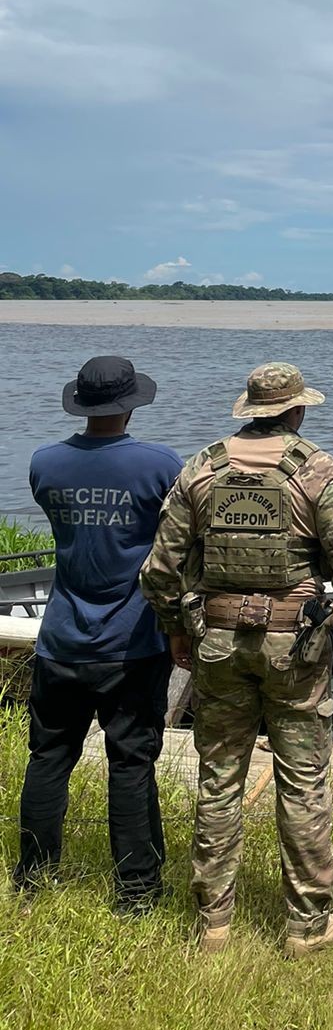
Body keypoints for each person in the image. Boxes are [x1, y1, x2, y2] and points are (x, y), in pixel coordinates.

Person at [139, 363, 333, 956]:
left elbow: (159, 572)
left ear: (250, 410)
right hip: (294, 651)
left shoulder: (201, 467)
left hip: (216, 646)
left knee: (219, 780)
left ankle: (214, 922)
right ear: (296, 412)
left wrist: (176, 630)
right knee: (303, 783)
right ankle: (306, 926)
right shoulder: (317, 470)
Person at [17, 355, 182, 911]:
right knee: (131, 763)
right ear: (132, 402)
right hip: (132, 642)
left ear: (81, 403)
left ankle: (33, 877)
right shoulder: (161, 465)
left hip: (61, 637)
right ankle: (136, 892)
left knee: (48, 757)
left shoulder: (45, 463)